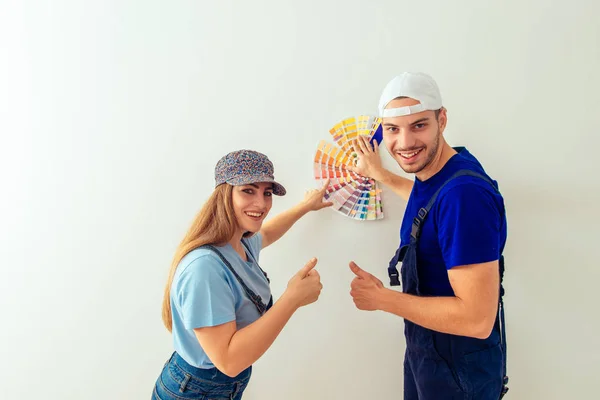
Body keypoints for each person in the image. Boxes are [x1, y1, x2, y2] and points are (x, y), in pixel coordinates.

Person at [347, 72, 509, 399]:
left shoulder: (465, 196)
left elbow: (477, 319)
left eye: (419, 125)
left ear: (442, 119)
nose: (404, 143)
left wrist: (382, 299)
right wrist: (380, 174)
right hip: (432, 357)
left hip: (458, 374)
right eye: (393, 129)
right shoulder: (445, 173)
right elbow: (432, 204)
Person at [152, 149, 332, 400]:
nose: (261, 203)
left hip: (218, 388)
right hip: (195, 392)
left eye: (267, 193)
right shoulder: (205, 268)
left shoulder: (239, 243)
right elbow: (228, 361)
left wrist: (305, 206)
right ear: (224, 195)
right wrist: (292, 299)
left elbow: (268, 232)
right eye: (248, 190)